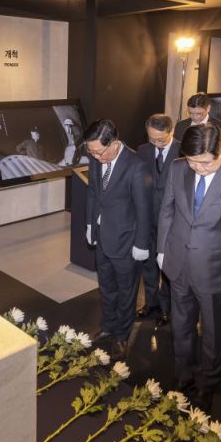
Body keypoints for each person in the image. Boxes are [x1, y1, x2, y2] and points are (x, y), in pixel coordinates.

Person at [156, 125, 221, 411]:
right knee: (181, 325)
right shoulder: (178, 168)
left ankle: (208, 383)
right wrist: (162, 250)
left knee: (214, 332)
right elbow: (167, 210)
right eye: (193, 161)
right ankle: (183, 374)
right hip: (178, 262)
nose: (198, 168)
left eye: (205, 162)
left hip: (218, 269)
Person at [85, 119, 153, 359]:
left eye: (99, 152)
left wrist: (141, 244)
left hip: (126, 241)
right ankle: (107, 326)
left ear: (114, 143)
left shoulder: (136, 167)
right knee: (106, 287)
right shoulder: (97, 159)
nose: (96, 157)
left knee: (126, 292)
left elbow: (144, 210)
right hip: (102, 237)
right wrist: (90, 224)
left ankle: (122, 336)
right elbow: (93, 193)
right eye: (91, 152)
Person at [135, 114, 180, 326]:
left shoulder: (183, 150)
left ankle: (167, 308)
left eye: (160, 139)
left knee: (168, 267)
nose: (156, 143)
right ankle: (151, 304)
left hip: (173, 220)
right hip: (147, 218)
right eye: (151, 138)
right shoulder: (143, 150)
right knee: (149, 265)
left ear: (171, 132)